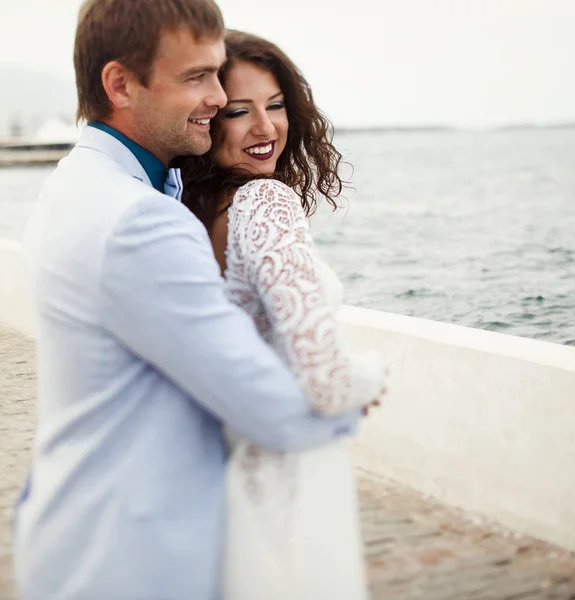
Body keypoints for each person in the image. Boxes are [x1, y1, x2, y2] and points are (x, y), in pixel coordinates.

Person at [13, 2, 370, 599]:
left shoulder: (78, 184)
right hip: (134, 556)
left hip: (73, 529)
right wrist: (363, 386)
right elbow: (271, 411)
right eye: (198, 77)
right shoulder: (140, 220)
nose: (215, 93)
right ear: (121, 83)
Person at [176, 30, 387, 600]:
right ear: (209, 118)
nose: (266, 128)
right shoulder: (265, 202)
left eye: (276, 106)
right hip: (289, 468)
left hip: (222, 464)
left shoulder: (186, 210)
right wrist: (373, 376)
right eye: (240, 111)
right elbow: (326, 381)